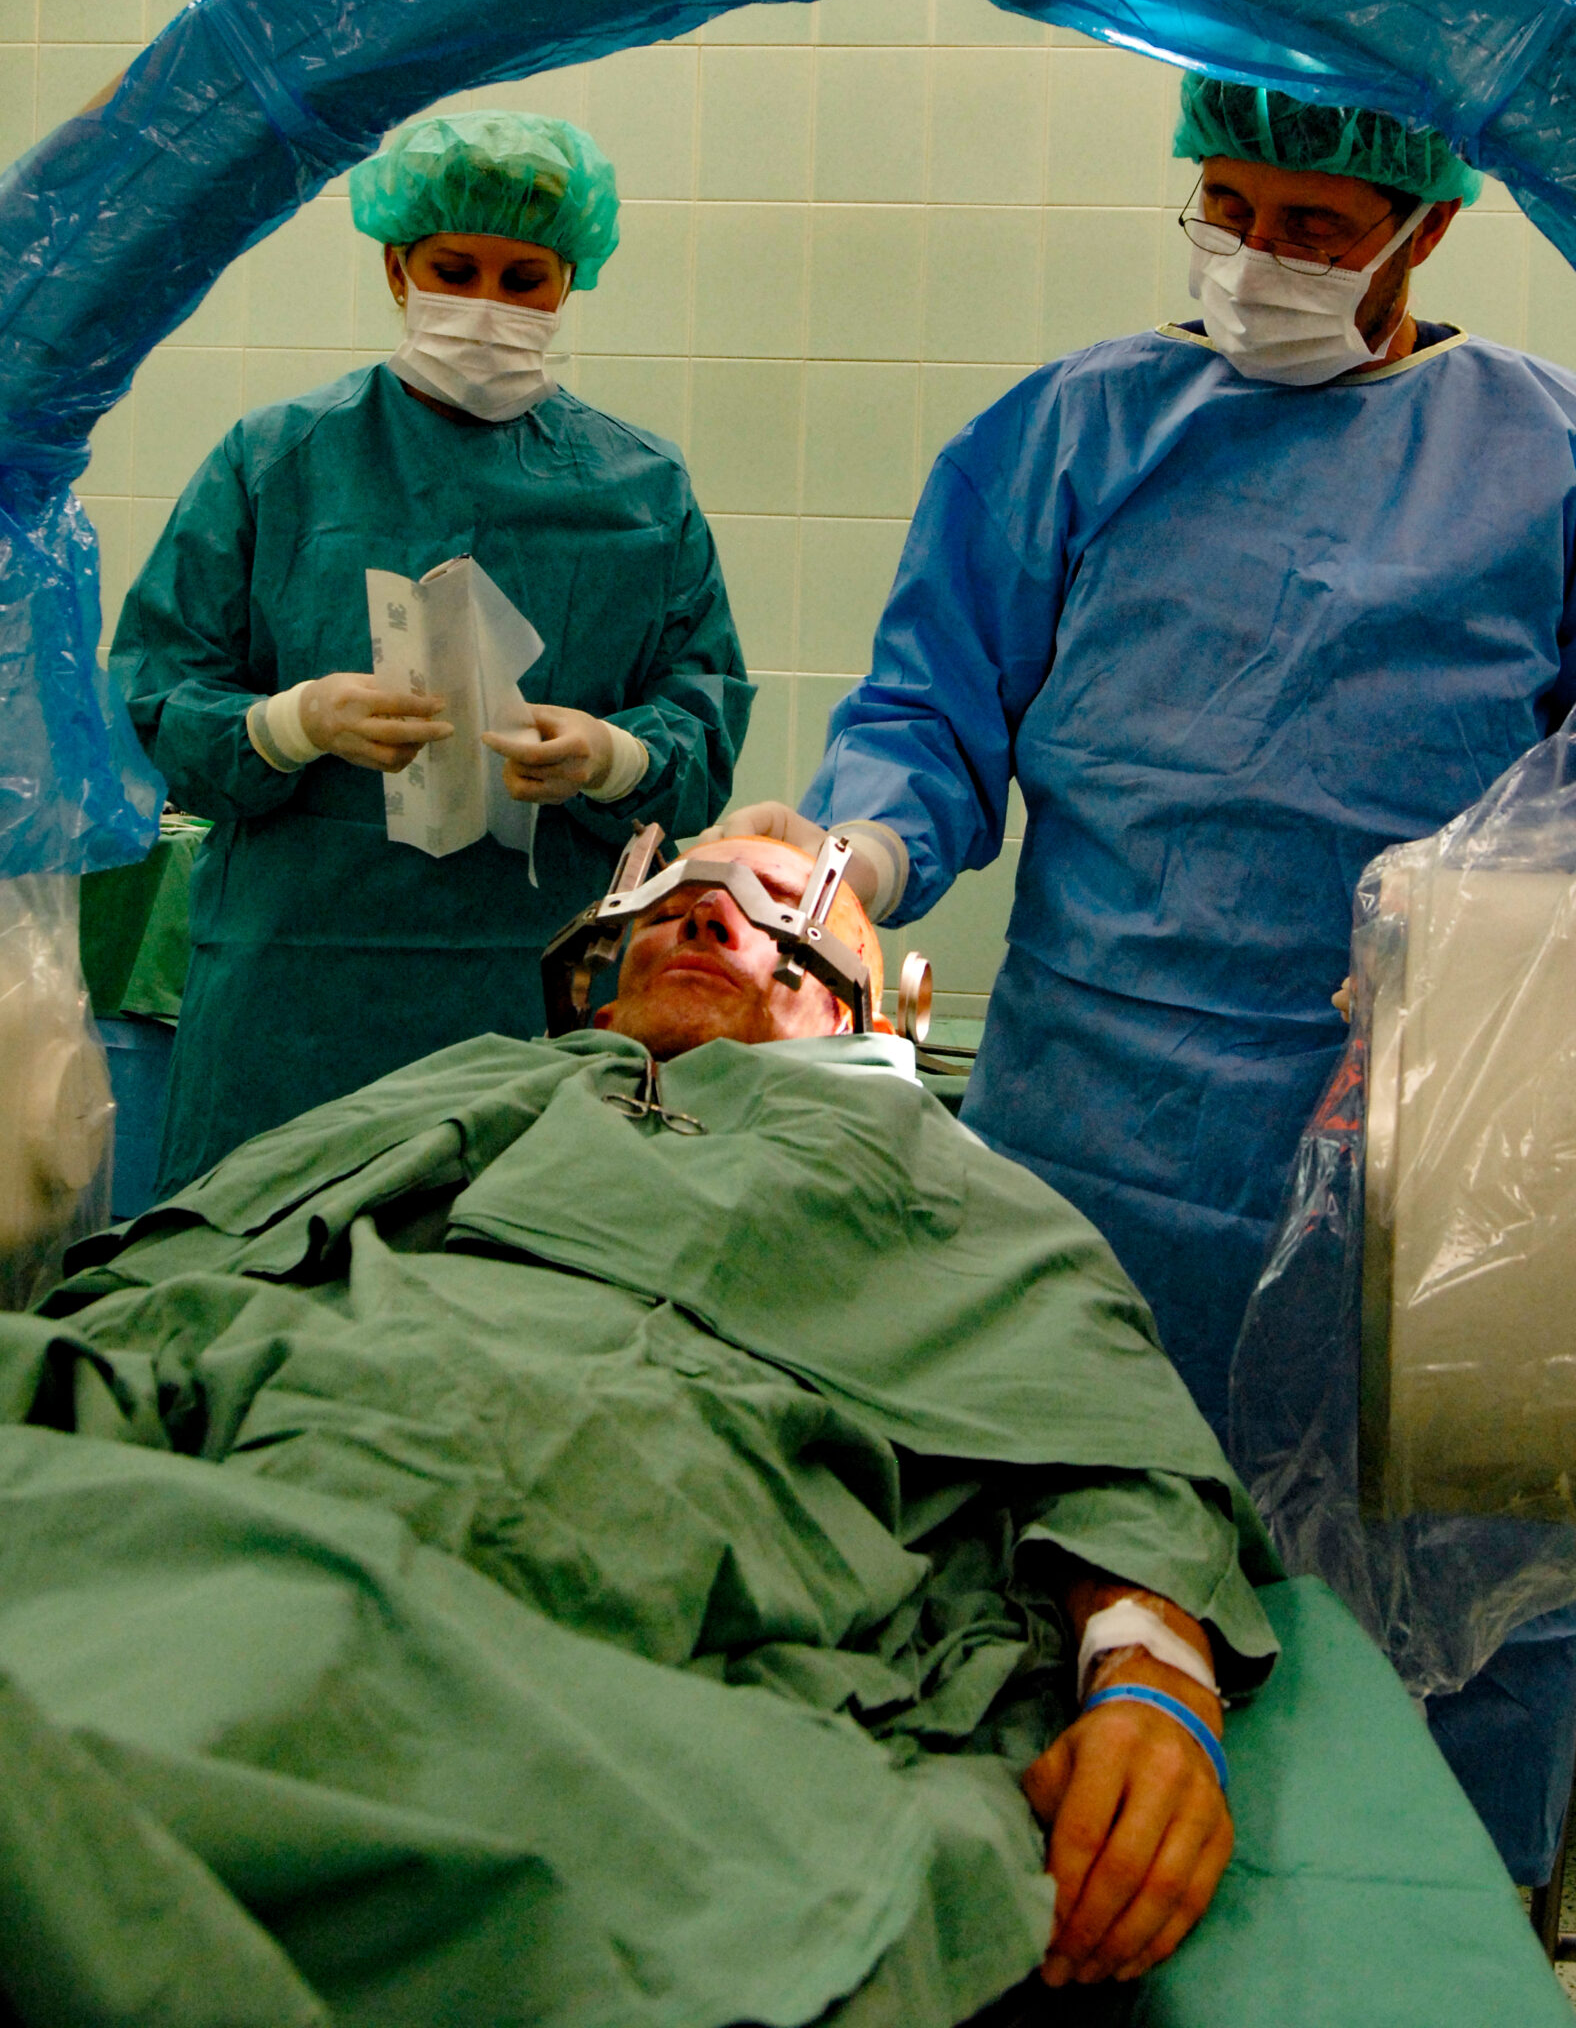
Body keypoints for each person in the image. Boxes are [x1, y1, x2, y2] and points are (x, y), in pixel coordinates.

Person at [7, 833, 1564, 2028]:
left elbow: (1104, 1429)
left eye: (767, 910)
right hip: (259, 1420)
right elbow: (165, 1279)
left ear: (873, 1012)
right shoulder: (474, 1087)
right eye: (676, 900)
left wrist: (1153, 1684)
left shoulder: (925, 1167)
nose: (707, 916)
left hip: (654, 1542)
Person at [708, 77, 1576, 1436]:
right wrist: (852, 855)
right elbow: (929, 706)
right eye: (1225, 206)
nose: (1255, 256)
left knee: (1384, 1525)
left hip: (1427, 1133)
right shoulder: (1076, 430)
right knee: (1064, 1490)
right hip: (1091, 1115)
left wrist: (1493, 941)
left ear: (1425, 228)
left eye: (1312, 226)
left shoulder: (1543, 457)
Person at [111, 109, 750, 1199]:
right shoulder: (278, 461)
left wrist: (614, 756)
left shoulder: (642, 489)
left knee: (507, 1266)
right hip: (296, 994)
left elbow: (702, 717)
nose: (487, 306)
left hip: (537, 1000)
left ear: (569, 281)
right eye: (456, 271)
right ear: (397, 266)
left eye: (524, 278)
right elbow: (158, 692)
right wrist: (289, 724)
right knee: (258, 1260)